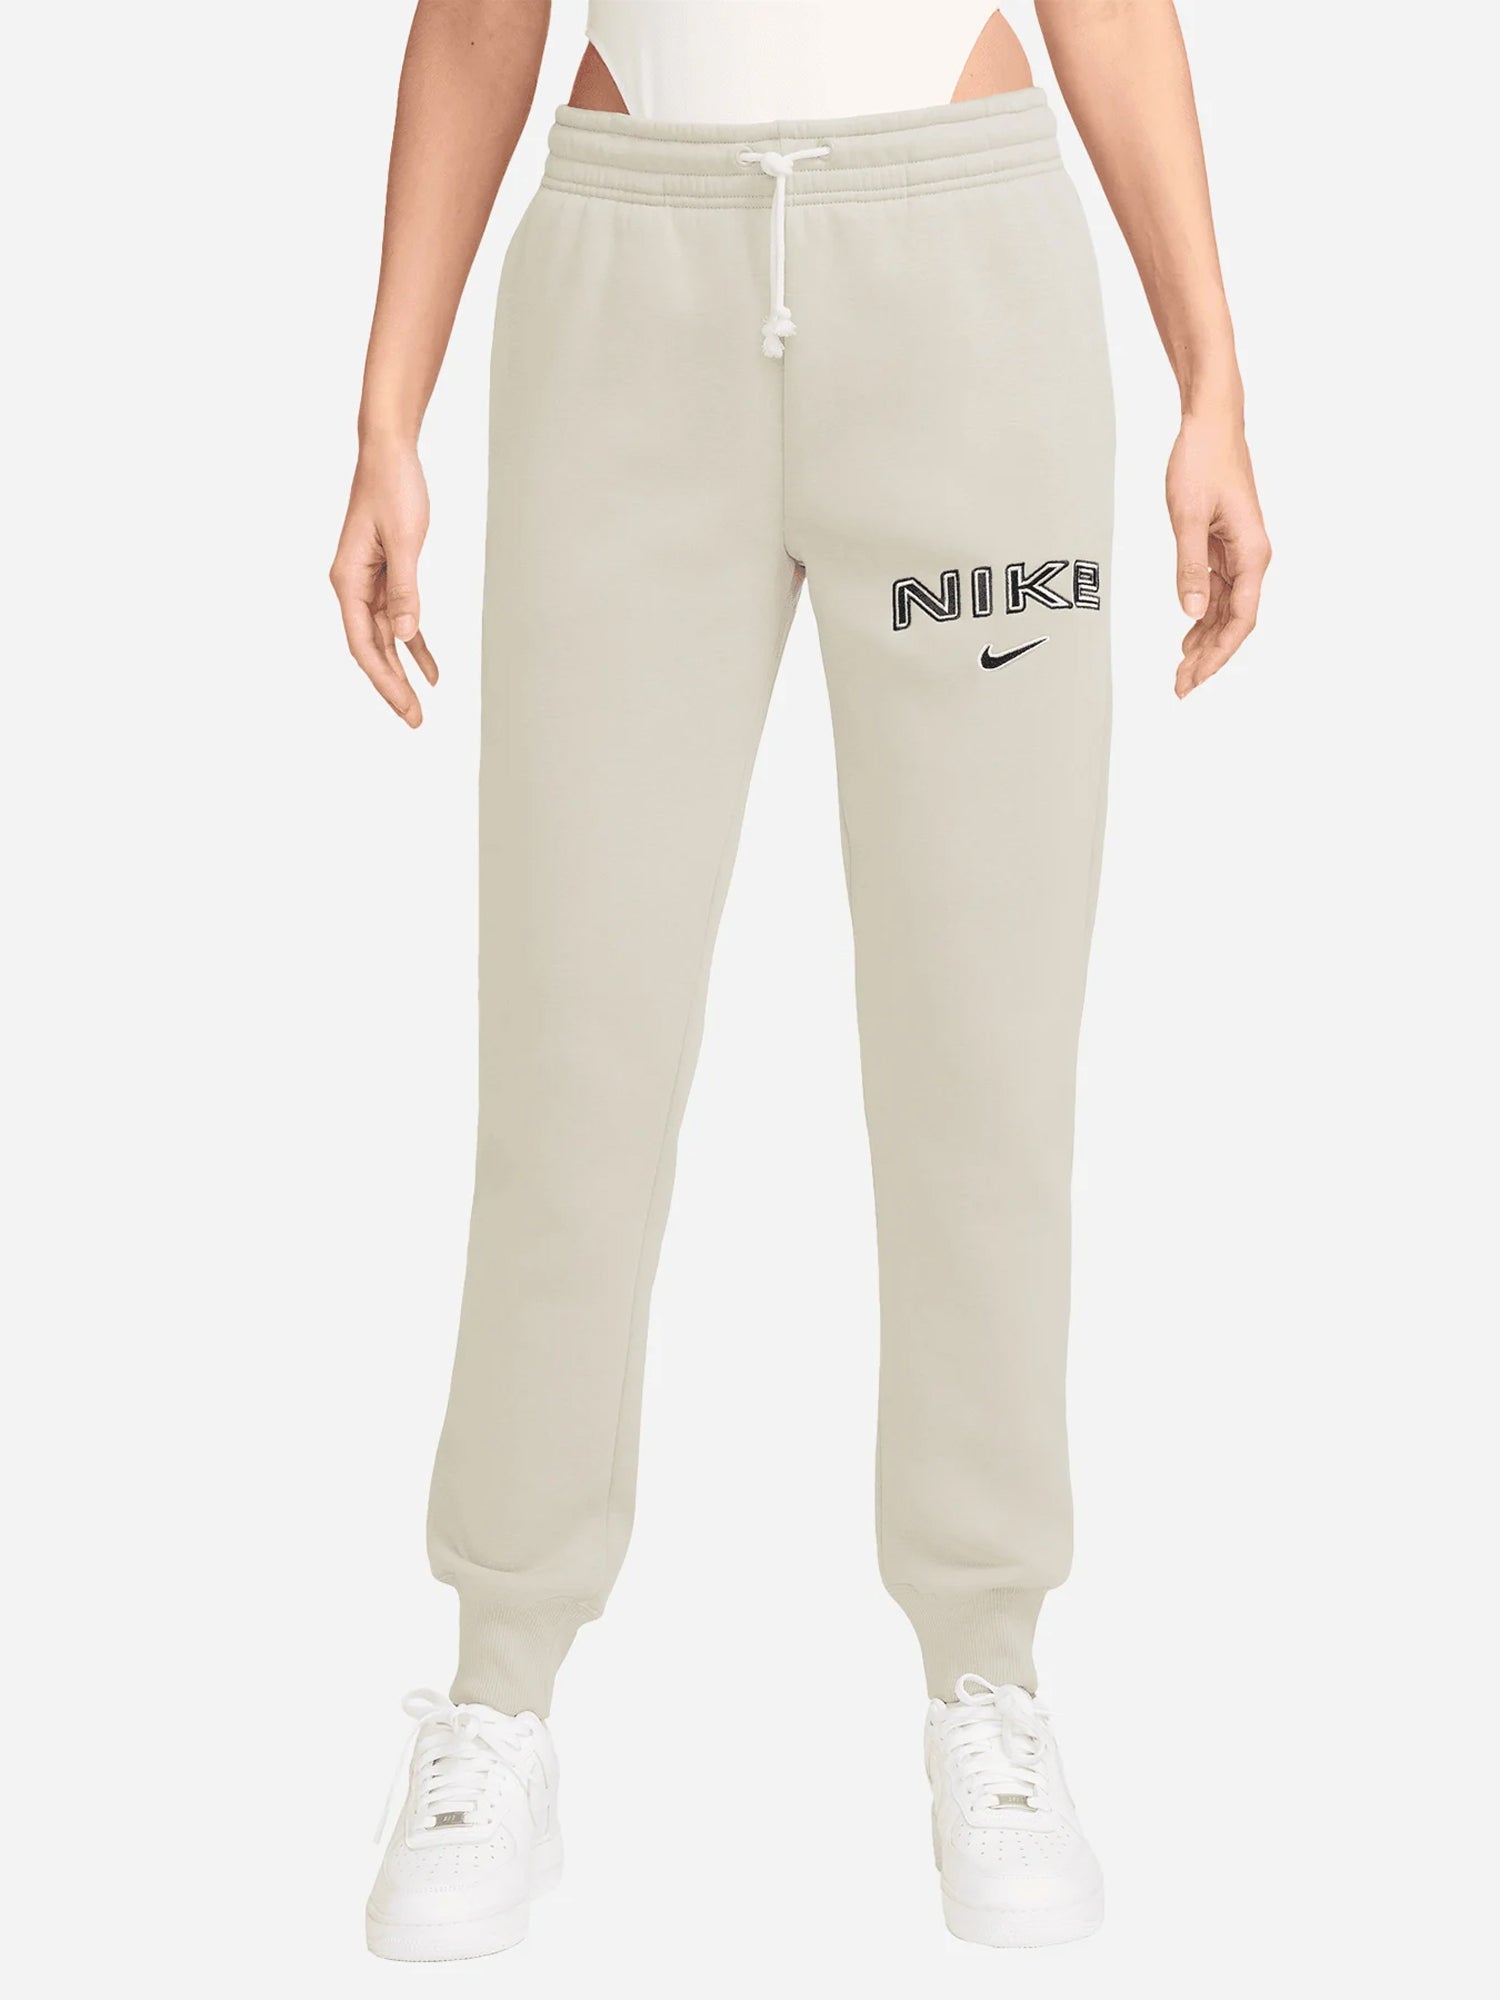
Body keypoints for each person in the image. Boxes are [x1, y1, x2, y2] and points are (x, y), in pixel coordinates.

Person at [334, 0, 1269, 1959]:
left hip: (970, 315)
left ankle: (988, 1671)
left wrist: (1214, 377)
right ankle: (499, 1685)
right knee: (573, 1043)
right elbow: (484, 17)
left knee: (982, 1044)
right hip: (626, 308)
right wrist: (384, 417)